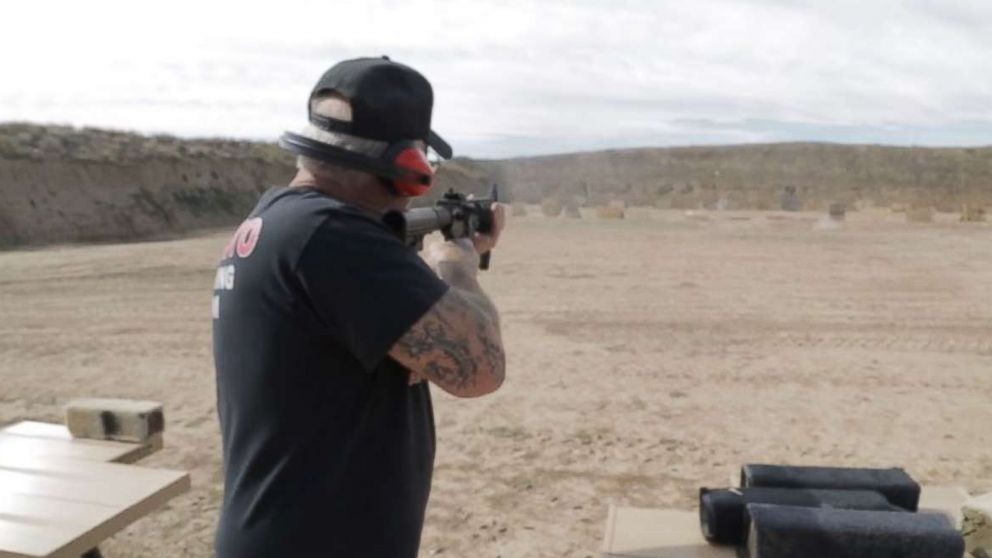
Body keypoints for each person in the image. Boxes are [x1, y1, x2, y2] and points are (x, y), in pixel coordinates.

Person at [212, 57, 506, 558]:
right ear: (407, 169)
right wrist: (457, 263)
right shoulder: (334, 237)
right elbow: (480, 369)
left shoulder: (282, 223)